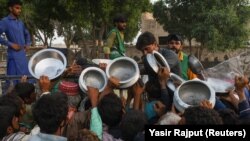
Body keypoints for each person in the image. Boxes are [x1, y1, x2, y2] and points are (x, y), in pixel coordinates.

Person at [0, 0, 31, 86]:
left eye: (20, 8)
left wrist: (28, 44)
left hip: (23, 56)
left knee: (26, 82)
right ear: (10, 8)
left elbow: (27, 33)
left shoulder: (20, 22)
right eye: (17, 8)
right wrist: (10, 44)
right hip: (13, 56)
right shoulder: (5, 21)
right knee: (13, 83)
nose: (19, 10)